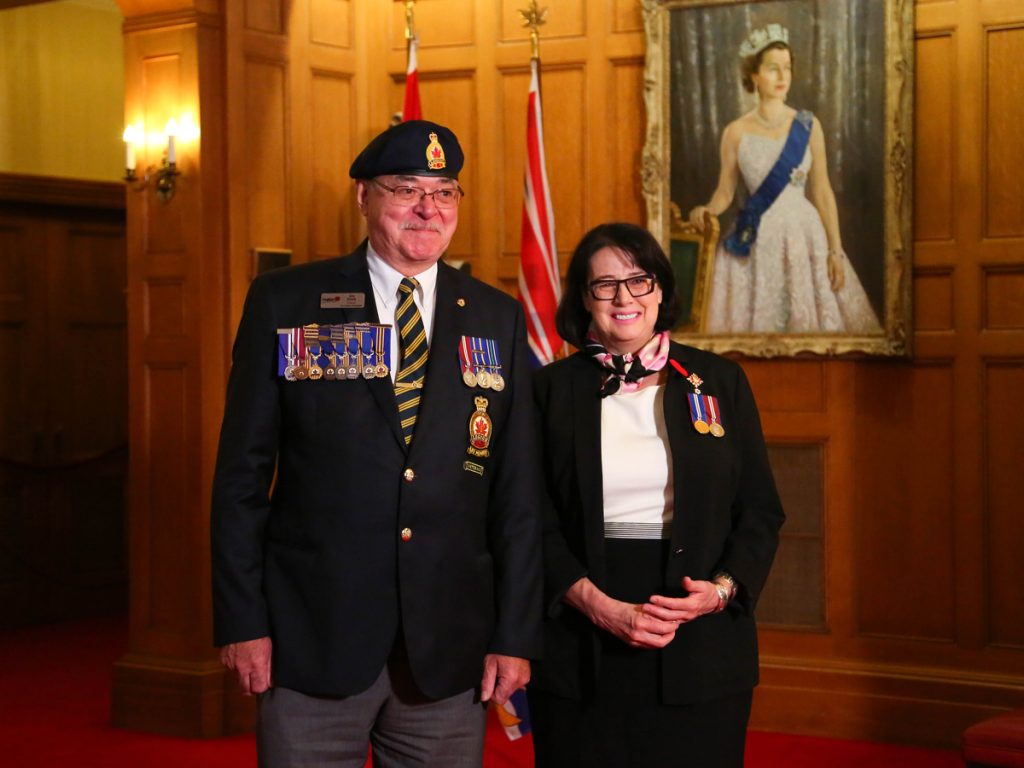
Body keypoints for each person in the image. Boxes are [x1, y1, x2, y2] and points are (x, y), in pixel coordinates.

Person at [211, 119, 544, 767]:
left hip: (447, 651)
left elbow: (517, 496)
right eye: (405, 189)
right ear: (363, 197)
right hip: (311, 637)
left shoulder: (495, 316)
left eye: (445, 192)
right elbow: (241, 481)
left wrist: (516, 634)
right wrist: (242, 621)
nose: (428, 209)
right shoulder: (287, 301)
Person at [527, 222, 785, 767]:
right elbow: (528, 518)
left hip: (701, 635)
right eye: (605, 284)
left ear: (661, 289)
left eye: (639, 280)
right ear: (583, 299)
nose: (624, 298)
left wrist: (719, 592)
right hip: (581, 635)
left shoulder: (718, 381)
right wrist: (595, 605)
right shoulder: (549, 390)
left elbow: (760, 509)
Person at [688, 23, 881, 334]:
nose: (782, 77)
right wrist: (706, 209)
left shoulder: (808, 125)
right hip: (755, 239)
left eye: (787, 69)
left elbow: (821, 191)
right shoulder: (735, 132)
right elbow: (725, 192)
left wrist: (834, 249)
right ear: (754, 75)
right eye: (773, 69)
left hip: (803, 237)